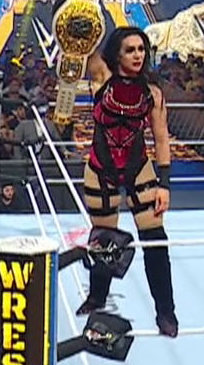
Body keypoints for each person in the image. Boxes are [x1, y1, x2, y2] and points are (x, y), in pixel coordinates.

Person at [75, 26, 178, 337]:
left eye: (141, 49)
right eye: (130, 50)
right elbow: (78, 38)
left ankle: (166, 312)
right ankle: (97, 297)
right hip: (100, 168)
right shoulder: (101, 77)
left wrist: (164, 184)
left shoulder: (153, 93)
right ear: (117, 54)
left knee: (156, 241)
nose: (137, 55)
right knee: (103, 240)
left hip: (139, 168)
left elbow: (161, 139)